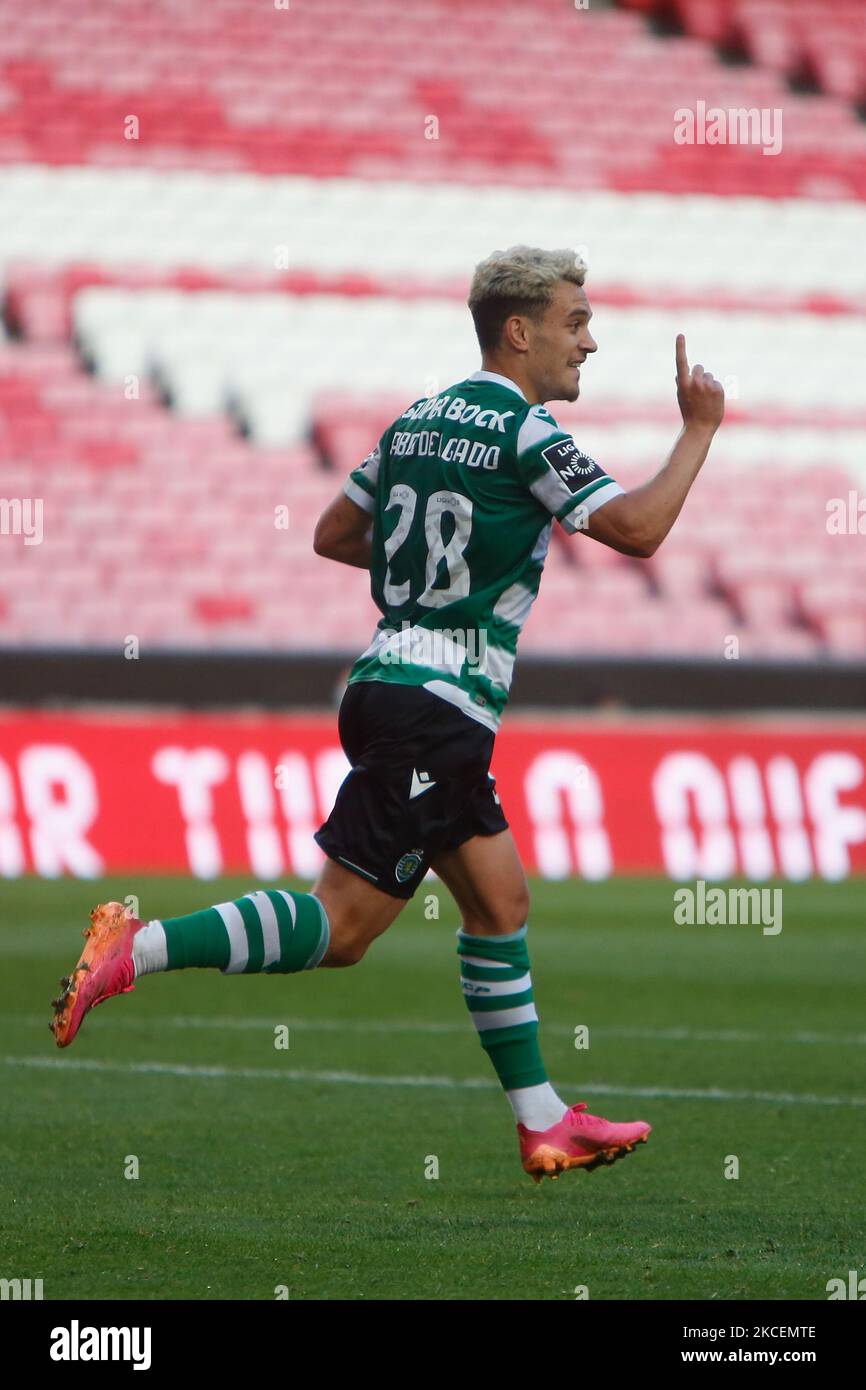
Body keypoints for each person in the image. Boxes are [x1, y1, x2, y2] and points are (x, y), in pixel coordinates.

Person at [50, 246, 724, 1182]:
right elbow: (640, 530)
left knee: (499, 902)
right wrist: (698, 430)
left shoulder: (416, 420)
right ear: (519, 331)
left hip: (389, 686)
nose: (591, 341)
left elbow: (334, 533)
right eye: (577, 322)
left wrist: (422, 579)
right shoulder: (526, 433)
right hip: (437, 707)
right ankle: (139, 947)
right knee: (342, 930)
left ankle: (542, 1121)